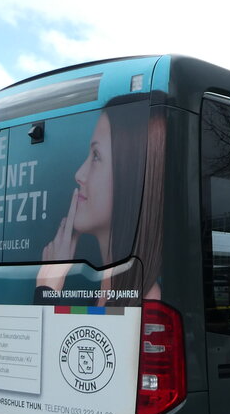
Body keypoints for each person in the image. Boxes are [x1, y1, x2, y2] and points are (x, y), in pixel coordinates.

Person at [36, 92, 164, 302]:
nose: (79, 174)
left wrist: (47, 291)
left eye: (96, 156)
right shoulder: (105, 291)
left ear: (130, 174)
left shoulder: (149, 301)